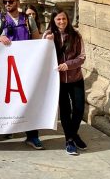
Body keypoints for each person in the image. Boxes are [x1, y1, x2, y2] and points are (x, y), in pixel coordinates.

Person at [0, 0, 42, 149]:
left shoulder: (28, 19)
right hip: (6, 67)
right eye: (5, 2)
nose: (7, 4)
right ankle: (8, 126)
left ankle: (32, 135)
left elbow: (36, 40)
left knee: (29, 99)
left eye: (11, 1)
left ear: (18, 2)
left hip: (25, 66)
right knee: (8, 98)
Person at [44, 9, 86, 156]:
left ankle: (73, 134)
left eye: (64, 19)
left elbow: (82, 57)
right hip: (59, 80)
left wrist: (69, 64)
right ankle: (69, 140)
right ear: (53, 21)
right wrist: (47, 42)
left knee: (79, 108)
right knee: (66, 110)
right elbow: (42, 54)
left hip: (75, 77)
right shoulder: (49, 35)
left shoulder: (76, 35)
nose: (62, 22)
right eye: (58, 19)